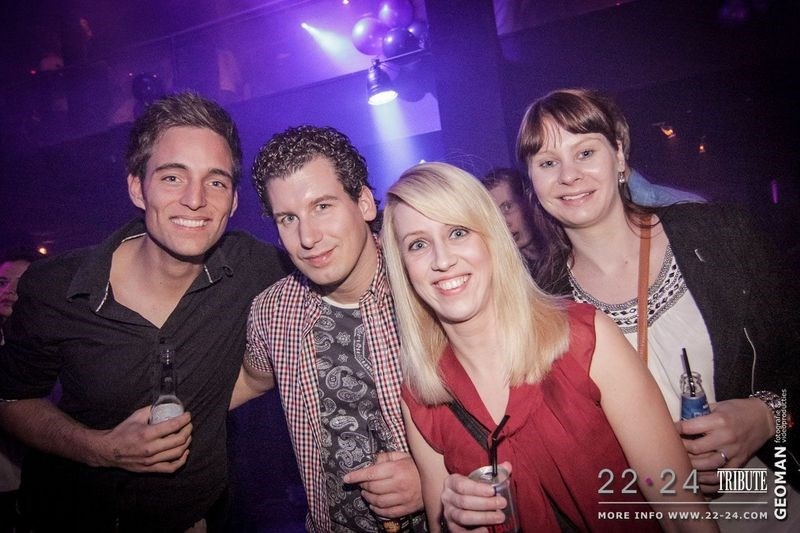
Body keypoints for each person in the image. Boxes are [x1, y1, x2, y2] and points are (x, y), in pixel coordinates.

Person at [0, 91, 290, 532]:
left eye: (216, 182)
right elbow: (12, 399)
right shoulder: (56, 287)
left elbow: (345, 266)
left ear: (233, 201)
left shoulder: (256, 268)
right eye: (173, 177)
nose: (195, 199)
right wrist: (101, 448)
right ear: (137, 187)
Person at [380, 162, 715, 533]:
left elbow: (684, 515)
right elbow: (439, 519)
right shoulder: (422, 397)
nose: (442, 260)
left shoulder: (586, 340)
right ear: (403, 267)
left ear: (492, 237)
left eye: (458, 232)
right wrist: (454, 525)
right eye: (418, 245)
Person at [516, 88, 799, 521]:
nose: (568, 175)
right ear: (532, 182)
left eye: (585, 152)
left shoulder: (719, 235)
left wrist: (768, 417)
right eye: (548, 163)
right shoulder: (542, 304)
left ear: (619, 155)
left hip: (771, 506)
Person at [230, 125, 426, 531]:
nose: (308, 237)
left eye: (322, 206)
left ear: (364, 203)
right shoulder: (274, 311)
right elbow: (246, 381)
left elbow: (512, 413)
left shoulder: (426, 282)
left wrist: (434, 476)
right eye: (288, 218)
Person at [0, 246, 42, 533]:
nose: (10, 291)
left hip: (30, 483)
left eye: (22, 282)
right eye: (3, 282)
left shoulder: (49, 347)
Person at [479, 167, 543, 272]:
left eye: (507, 207)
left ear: (529, 201)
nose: (503, 223)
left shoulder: (566, 250)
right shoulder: (506, 273)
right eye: (494, 215)